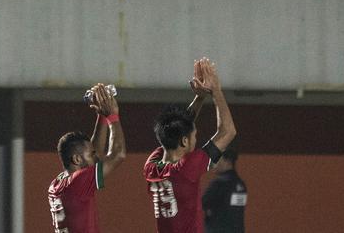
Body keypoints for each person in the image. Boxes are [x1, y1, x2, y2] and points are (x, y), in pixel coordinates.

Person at [144, 58, 237, 233]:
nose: (196, 140)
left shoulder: (151, 167)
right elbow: (228, 131)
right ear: (185, 141)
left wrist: (200, 97)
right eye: (194, 136)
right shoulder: (186, 168)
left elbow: (177, 129)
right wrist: (216, 90)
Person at [48, 84, 127, 233]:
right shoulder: (78, 182)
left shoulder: (57, 184)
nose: (96, 157)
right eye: (91, 155)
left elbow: (95, 151)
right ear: (77, 160)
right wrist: (112, 116)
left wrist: (102, 117)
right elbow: (118, 154)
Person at [201, 145, 246, 233]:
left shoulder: (220, 184)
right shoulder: (240, 185)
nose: (213, 163)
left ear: (227, 161)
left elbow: (201, 204)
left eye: (217, 159)